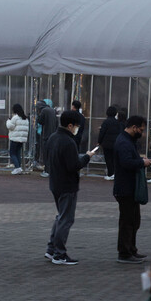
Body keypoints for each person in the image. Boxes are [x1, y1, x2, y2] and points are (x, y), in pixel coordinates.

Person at [44, 110, 94, 265]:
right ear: (70, 125)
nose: (77, 129)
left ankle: (51, 249)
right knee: (66, 219)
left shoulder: (53, 138)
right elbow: (74, 165)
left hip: (55, 182)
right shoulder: (68, 141)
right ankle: (59, 254)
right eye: (76, 126)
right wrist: (87, 157)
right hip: (67, 185)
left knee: (60, 216)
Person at [113, 115, 151, 264]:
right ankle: (124, 253)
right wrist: (142, 162)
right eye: (140, 129)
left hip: (129, 188)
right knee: (127, 221)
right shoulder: (124, 142)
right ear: (134, 127)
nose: (141, 133)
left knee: (134, 220)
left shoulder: (127, 140)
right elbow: (126, 162)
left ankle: (131, 249)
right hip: (125, 188)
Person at [98, 106, 121, 180]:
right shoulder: (118, 122)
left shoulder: (106, 122)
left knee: (108, 159)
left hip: (107, 143)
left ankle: (110, 174)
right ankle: (114, 173)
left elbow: (102, 132)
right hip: (116, 143)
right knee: (114, 159)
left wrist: (99, 141)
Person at [36, 100, 58, 178]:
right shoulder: (52, 110)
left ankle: (47, 171)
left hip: (46, 135)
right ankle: (51, 170)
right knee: (51, 154)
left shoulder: (44, 111)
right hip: (53, 134)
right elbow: (57, 122)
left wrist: (38, 115)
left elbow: (40, 121)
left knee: (46, 154)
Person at [6, 103, 30, 175]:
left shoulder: (15, 117)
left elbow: (10, 126)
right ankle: (19, 167)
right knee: (18, 153)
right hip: (22, 139)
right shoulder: (25, 118)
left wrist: (8, 121)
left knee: (12, 153)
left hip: (15, 138)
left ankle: (17, 167)